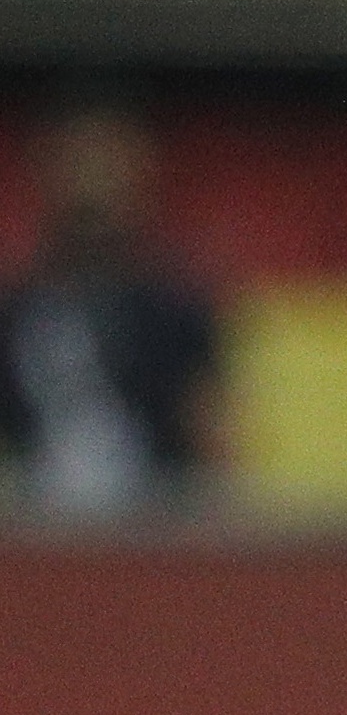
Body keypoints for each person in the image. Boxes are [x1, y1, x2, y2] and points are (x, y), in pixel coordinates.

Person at [0, 105, 223, 516]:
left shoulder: (173, 305)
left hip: (150, 523)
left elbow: (209, 432)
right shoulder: (18, 307)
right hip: (31, 524)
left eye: (108, 167)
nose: (92, 184)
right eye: (79, 165)